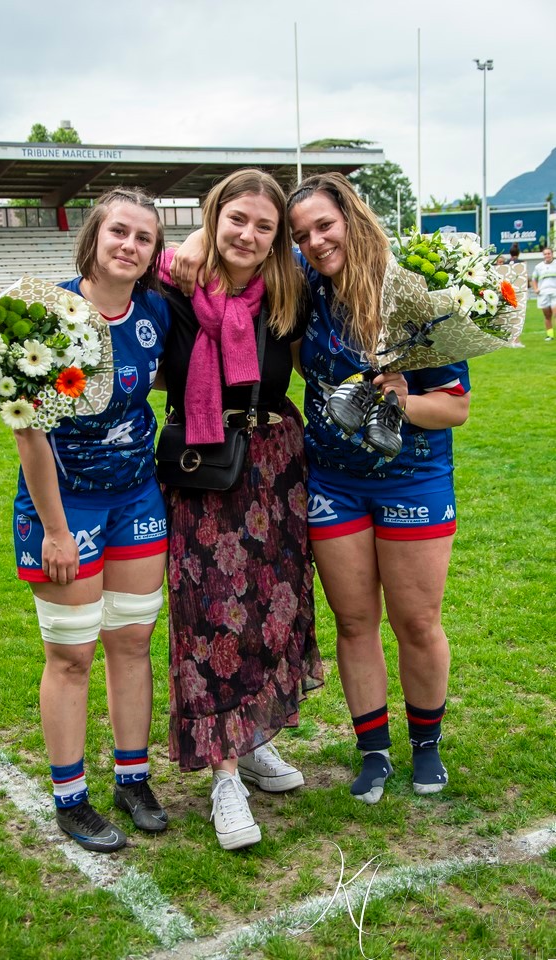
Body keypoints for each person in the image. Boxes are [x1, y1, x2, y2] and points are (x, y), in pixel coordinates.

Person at [285, 173, 470, 803]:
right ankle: (373, 752)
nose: (314, 241)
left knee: (416, 622)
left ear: (351, 219)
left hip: (413, 477)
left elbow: (455, 409)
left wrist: (400, 398)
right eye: (302, 234)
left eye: (324, 226)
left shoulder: (410, 292)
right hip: (333, 481)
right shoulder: (306, 287)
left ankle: (426, 747)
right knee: (356, 621)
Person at [159, 169, 323, 851]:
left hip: (274, 464)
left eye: (264, 225)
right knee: (209, 616)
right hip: (202, 463)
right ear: (213, 217)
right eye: (236, 220)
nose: (248, 235)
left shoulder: (287, 292)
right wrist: (193, 241)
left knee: (269, 610)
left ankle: (252, 742)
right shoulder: (174, 283)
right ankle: (223, 776)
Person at [12, 188, 171, 851]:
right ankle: (70, 796)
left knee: (132, 642)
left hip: (137, 497)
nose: (130, 245)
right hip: (64, 505)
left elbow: (151, 385)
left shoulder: (155, 312)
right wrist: (53, 528)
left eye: (144, 238)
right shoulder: (47, 315)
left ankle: (132, 777)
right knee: (71, 653)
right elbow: (29, 434)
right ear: (95, 237)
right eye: (120, 232)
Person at [532, 247, 556, 341]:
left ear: (552, 254)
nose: (547, 255)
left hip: (554, 291)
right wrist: (536, 288)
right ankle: (550, 335)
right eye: (545, 254)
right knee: (547, 315)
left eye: (549, 253)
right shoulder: (539, 267)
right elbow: (534, 279)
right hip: (543, 293)